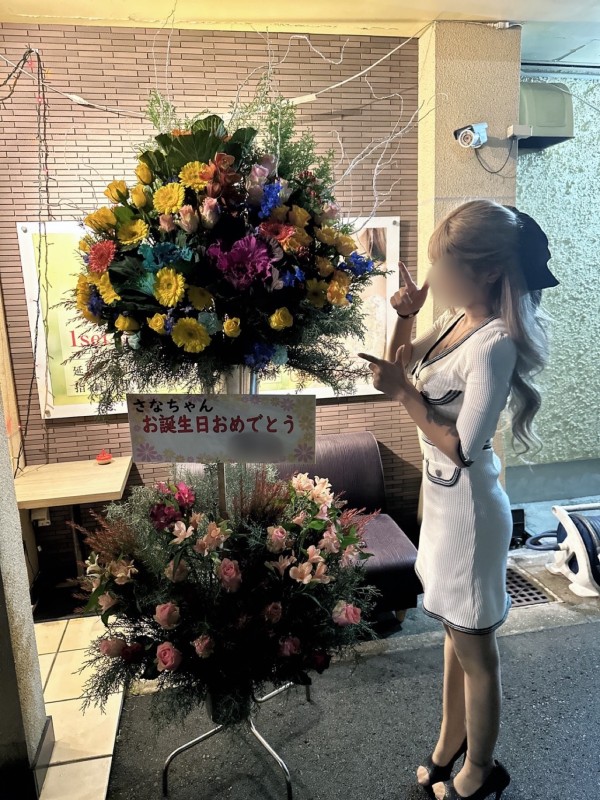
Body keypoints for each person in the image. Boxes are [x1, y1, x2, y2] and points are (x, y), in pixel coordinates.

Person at [357, 199, 559, 800]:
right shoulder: (454, 321)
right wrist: (404, 317)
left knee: (476, 651)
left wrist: (405, 397)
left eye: (444, 266)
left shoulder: (494, 343)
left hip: (470, 511)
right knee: (452, 631)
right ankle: (449, 745)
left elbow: (464, 448)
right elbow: (395, 368)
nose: (434, 277)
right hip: (443, 503)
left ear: (489, 271)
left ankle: (481, 770)